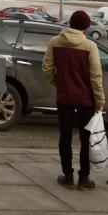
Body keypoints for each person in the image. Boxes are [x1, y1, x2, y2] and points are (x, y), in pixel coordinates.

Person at [42, 10, 105, 190]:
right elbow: (95, 77)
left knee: (65, 137)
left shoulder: (55, 42)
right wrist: (99, 100)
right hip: (86, 100)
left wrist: (58, 83)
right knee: (86, 140)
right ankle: (84, 178)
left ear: (70, 24)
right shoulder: (90, 46)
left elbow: (46, 68)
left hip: (64, 98)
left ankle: (68, 176)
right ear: (86, 27)